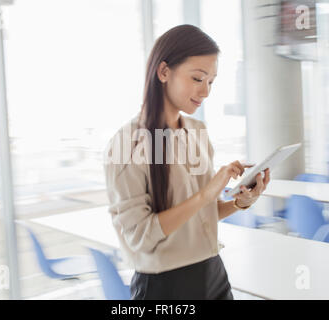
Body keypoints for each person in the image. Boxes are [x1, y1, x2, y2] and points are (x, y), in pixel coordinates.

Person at [103, 24, 270, 300]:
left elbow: (200, 217)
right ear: (164, 72)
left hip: (213, 272)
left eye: (211, 82)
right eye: (197, 78)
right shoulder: (127, 144)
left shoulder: (198, 132)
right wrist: (207, 192)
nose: (205, 92)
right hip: (164, 286)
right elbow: (140, 237)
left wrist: (241, 202)